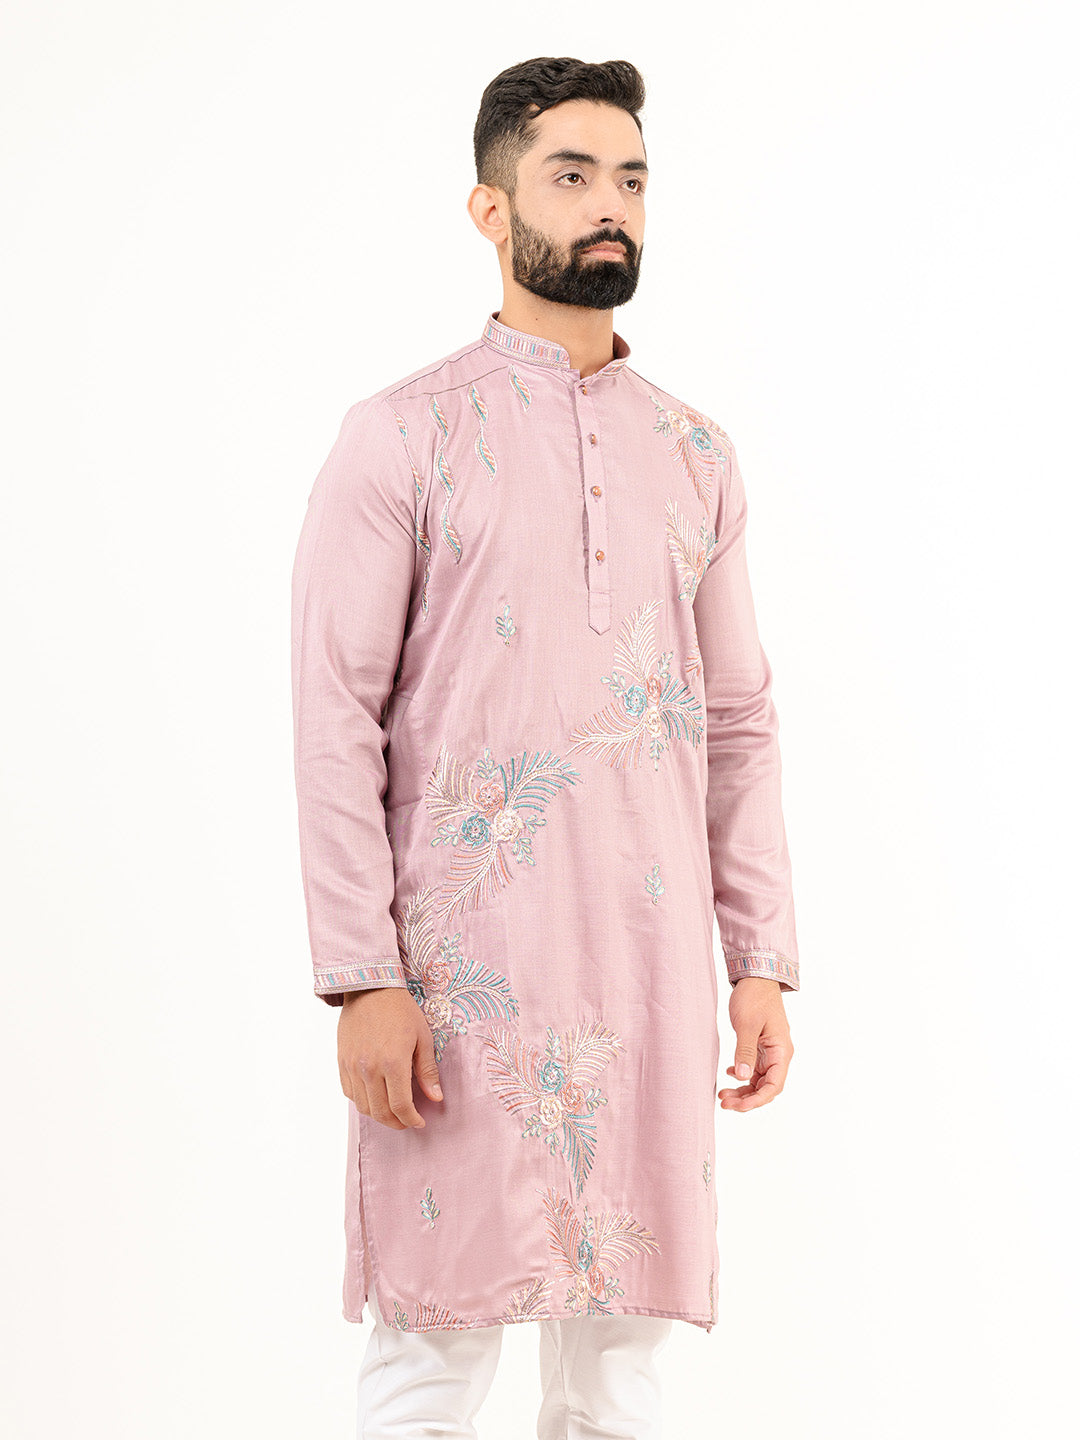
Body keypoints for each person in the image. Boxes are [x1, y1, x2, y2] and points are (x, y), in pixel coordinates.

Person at [290, 54, 799, 1440]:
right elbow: (334, 722)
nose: (608, 205)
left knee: (619, 1378)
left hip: (647, 980)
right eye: (570, 176)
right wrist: (362, 980)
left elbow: (738, 720)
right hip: (457, 989)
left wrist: (757, 960)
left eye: (629, 177)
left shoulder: (696, 453)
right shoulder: (402, 437)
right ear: (489, 207)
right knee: (430, 1361)